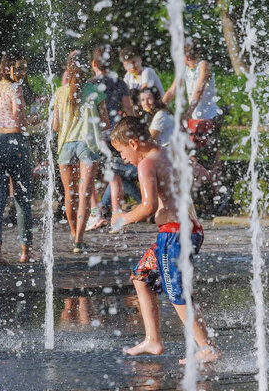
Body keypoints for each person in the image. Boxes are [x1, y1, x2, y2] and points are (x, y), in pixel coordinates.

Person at [110, 116, 220, 364]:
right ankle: (153, 340)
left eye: (122, 151)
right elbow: (201, 175)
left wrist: (123, 219)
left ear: (134, 143)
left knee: (176, 290)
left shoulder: (146, 164)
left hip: (175, 234)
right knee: (142, 276)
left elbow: (148, 207)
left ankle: (207, 348)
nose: (123, 158)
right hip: (187, 229)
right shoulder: (170, 153)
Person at [52, 51, 110, 253]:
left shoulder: (60, 93)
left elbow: (56, 126)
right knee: (85, 193)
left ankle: (72, 230)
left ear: (68, 70)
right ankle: (79, 240)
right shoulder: (95, 92)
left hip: (66, 146)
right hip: (88, 145)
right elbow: (105, 122)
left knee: (70, 193)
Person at [0, 52, 34, 264]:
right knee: (22, 199)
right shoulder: (15, 89)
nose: (22, 73)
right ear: (8, 69)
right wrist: (34, 120)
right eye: (18, 68)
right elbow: (19, 119)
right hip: (15, 143)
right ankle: (25, 253)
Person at [162, 39, 224, 211]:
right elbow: (173, 90)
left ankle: (217, 193)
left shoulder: (204, 65)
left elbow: (199, 89)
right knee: (193, 153)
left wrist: (188, 112)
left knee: (212, 155)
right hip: (196, 119)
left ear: (186, 55)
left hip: (210, 117)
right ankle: (198, 194)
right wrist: (157, 108)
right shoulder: (184, 69)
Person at [85, 45, 135, 231]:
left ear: (94, 63)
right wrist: (134, 128)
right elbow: (128, 109)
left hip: (94, 136)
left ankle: (96, 214)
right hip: (115, 135)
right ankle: (116, 216)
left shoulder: (89, 84)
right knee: (115, 178)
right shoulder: (119, 82)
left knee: (89, 177)